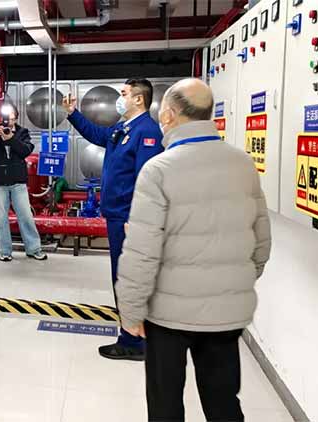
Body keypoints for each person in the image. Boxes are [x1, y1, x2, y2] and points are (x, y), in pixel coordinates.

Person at [116, 78, 272, 422]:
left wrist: (131, 311)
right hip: (226, 313)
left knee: (166, 403)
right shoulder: (242, 163)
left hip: (167, 316)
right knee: (223, 402)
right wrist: (235, 283)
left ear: (169, 115)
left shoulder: (159, 170)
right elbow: (261, 241)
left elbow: (142, 253)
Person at [63, 79, 164, 361]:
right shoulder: (124, 128)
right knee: (122, 276)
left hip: (129, 218)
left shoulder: (147, 132)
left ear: (139, 99)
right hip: (117, 215)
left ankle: (133, 342)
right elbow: (97, 135)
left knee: (128, 278)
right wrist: (73, 114)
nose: (120, 99)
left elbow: (147, 180)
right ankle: (134, 335)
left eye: (124, 94)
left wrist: (138, 218)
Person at [0, 105, 47, 262]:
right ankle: (4, 251)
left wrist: (11, 139)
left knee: (26, 216)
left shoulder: (23, 133)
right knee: (1, 218)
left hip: (18, 182)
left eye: (11, 118)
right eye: (6, 118)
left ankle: (34, 249)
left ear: (16, 118)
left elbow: (25, 151)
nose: (8, 121)